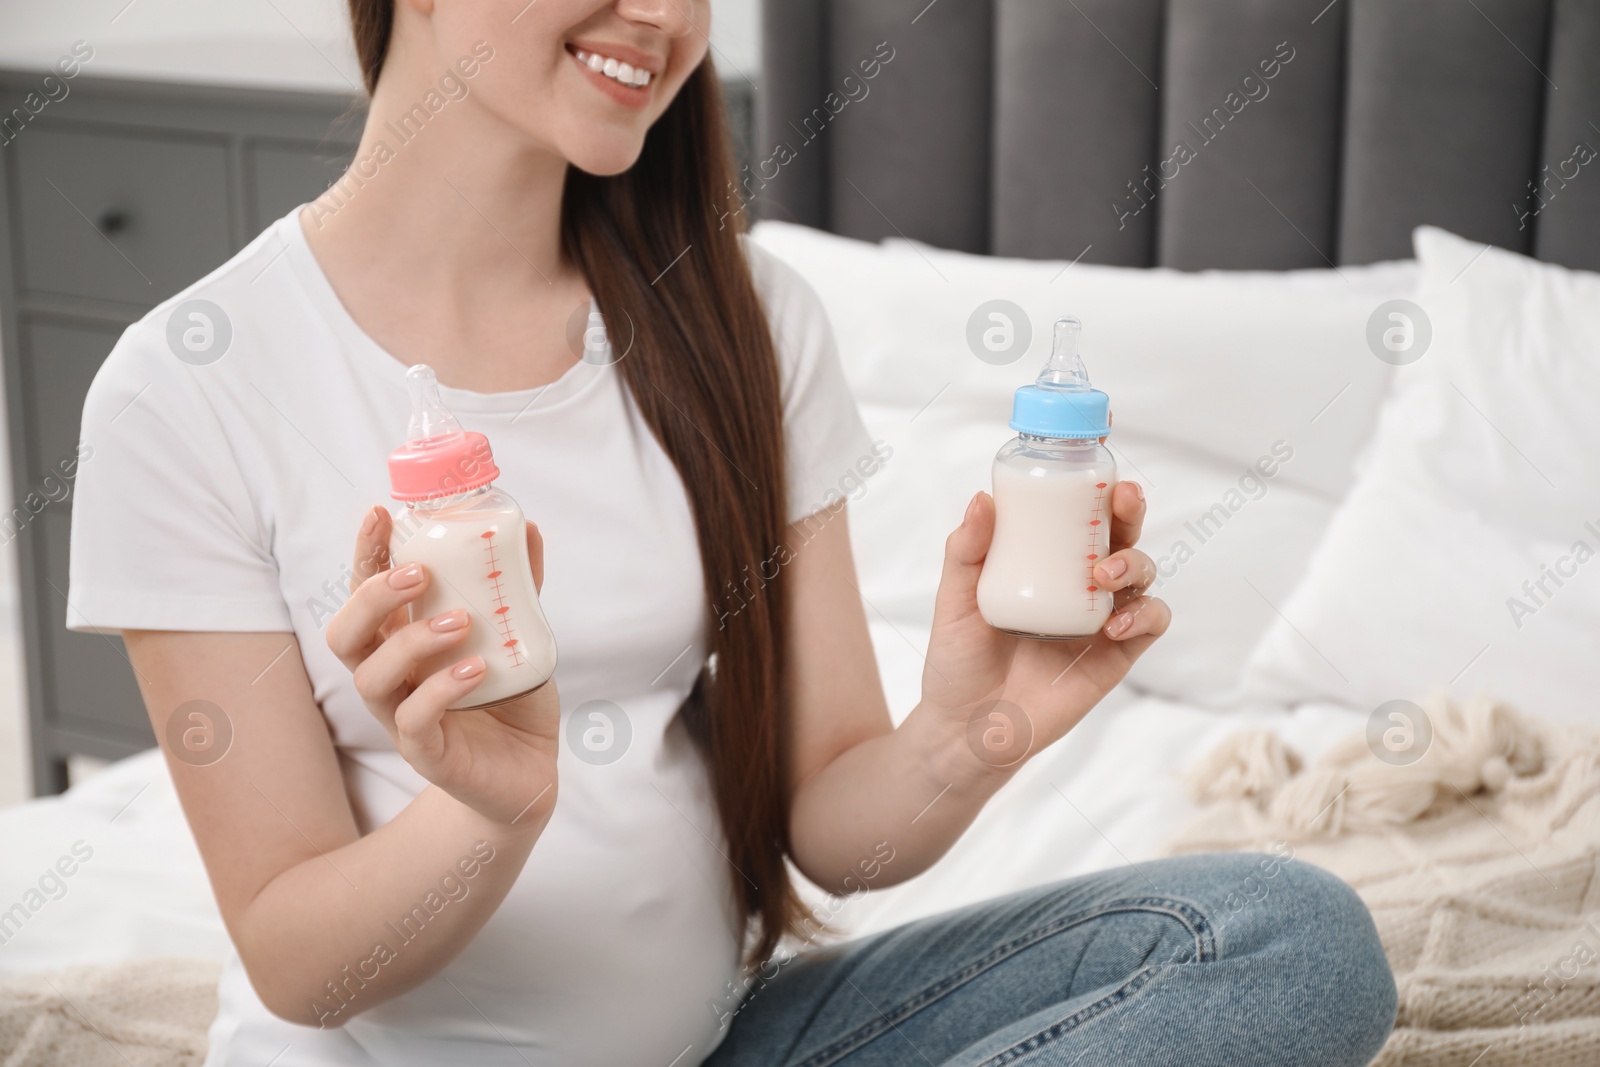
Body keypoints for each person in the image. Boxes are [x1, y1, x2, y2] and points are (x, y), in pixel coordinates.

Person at [66, 1, 1397, 1064]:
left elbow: (834, 831)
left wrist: (965, 736)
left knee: (1284, 940)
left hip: (732, 1042)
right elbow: (299, 963)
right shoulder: (192, 386)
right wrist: (490, 806)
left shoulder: (745, 316)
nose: (659, 14)